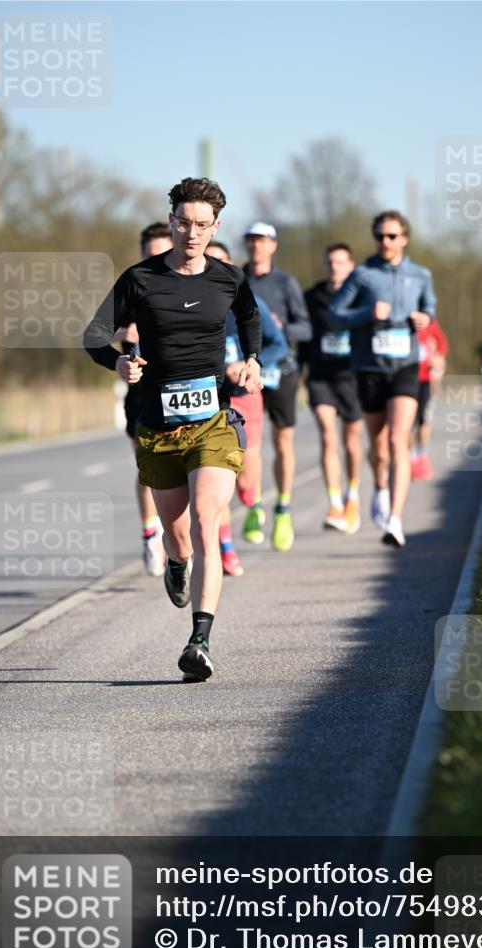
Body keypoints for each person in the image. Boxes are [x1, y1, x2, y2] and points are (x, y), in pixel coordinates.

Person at [85, 177, 262, 681]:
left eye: (202, 225)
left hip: (213, 422)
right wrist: (118, 363)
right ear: (171, 222)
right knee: (178, 536)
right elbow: (94, 335)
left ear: (215, 227)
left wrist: (253, 360)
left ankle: (199, 641)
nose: (192, 233)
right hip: (159, 427)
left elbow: (250, 318)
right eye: (184, 223)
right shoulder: (139, 279)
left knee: (207, 521)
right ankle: (176, 563)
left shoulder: (229, 279)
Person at [330, 211, 436, 548]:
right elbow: (335, 314)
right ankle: (380, 488)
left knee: (397, 440)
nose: (385, 242)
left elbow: (430, 310)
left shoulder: (420, 275)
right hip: (369, 368)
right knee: (378, 445)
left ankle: (396, 520)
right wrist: (365, 314)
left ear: (404, 238)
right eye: (379, 236)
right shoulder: (362, 275)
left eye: (391, 236)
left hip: (405, 366)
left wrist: (424, 318)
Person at [206, 240, 289, 576]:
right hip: (207, 399)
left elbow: (279, 345)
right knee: (217, 473)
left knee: (245, 470)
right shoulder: (186, 303)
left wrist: (248, 364)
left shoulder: (247, 301)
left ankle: (252, 500)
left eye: (220, 263)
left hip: (243, 394)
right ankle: (226, 548)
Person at [243, 222, 312, 552]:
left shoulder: (286, 283)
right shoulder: (235, 279)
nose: (256, 246)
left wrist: (282, 329)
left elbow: (306, 329)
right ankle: (254, 504)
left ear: (273, 245)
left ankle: (283, 508)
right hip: (246, 373)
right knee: (247, 445)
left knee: (283, 442)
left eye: (262, 240)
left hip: (281, 371)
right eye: (251, 240)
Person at [117, 222, 173, 576]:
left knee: (179, 468)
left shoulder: (184, 286)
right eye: (151, 254)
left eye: (163, 253)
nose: (157, 260)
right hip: (140, 394)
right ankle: (150, 534)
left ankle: (175, 533)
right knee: (147, 468)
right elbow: (96, 330)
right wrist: (128, 331)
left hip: (177, 391)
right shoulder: (131, 288)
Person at [303, 243, 363, 533]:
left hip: (352, 377)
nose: (334, 267)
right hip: (321, 376)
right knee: (328, 438)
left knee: (351, 442)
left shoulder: (361, 296)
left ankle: (353, 496)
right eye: (330, 262)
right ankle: (334, 504)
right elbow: (303, 335)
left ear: (351, 266)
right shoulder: (312, 297)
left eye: (340, 262)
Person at [411, 319, 449, 481]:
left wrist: (439, 357)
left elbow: (442, 345)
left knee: (423, 420)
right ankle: (411, 459)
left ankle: (422, 457)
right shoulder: (401, 319)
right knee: (408, 423)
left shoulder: (429, 322)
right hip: (405, 378)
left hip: (425, 379)